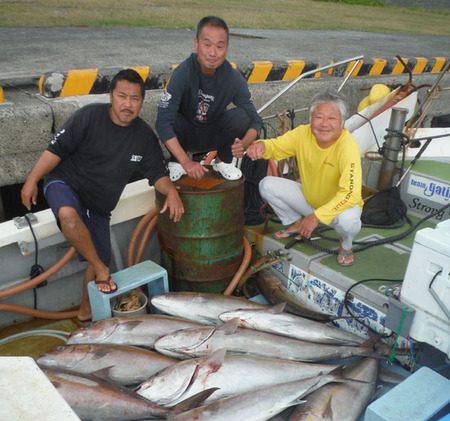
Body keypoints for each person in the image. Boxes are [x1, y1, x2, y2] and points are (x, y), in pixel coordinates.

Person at [21, 68, 184, 321]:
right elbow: (55, 150)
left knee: (99, 255)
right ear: (111, 96)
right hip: (65, 183)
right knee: (69, 216)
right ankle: (101, 270)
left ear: (141, 102)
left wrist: (171, 191)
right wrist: (31, 180)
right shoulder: (88, 117)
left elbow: (158, 175)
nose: (127, 104)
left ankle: (86, 313)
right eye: (122, 96)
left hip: (99, 206)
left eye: (135, 99)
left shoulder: (143, 136)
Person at [247, 91, 363, 267]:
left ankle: (346, 245)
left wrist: (316, 217)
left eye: (331, 118)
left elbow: (351, 195)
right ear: (311, 119)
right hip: (310, 200)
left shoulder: (348, 147)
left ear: (342, 123)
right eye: (318, 117)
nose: (324, 124)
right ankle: (295, 223)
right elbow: (277, 146)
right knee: (266, 185)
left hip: (338, 208)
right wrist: (262, 146)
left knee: (350, 221)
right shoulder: (302, 134)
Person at [156, 15, 263, 182]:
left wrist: (244, 143)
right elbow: (162, 123)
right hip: (186, 132)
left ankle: (223, 161)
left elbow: (256, 120)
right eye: (207, 45)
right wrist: (186, 162)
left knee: (243, 116)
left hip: (214, 132)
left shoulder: (233, 78)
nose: (213, 53)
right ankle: (177, 162)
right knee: (171, 117)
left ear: (226, 49)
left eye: (220, 46)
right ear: (197, 44)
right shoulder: (182, 73)